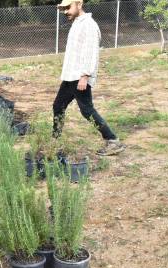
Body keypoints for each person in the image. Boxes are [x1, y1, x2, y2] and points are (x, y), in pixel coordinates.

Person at [54, 0, 126, 156]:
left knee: (87, 110)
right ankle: (54, 140)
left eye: (68, 7)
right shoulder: (77, 23)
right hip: (70, 76)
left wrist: (85, 76)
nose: (65, 11)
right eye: (64, 9)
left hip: (79, 76)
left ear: (79, 5)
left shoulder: (89, 25)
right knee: (58, 106)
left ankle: (113, 140)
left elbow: (91, 52)